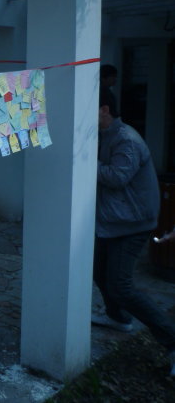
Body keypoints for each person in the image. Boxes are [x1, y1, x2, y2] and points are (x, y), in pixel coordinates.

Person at [92, 86, 175, 376]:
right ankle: (118, 318)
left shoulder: (126, 139)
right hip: (112, 221)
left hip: (132, 224)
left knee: (121, 286)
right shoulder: (104, 134)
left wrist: (87, 161)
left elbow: (117, 177)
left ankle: (172, 341)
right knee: (99, 273)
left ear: (104, 110)